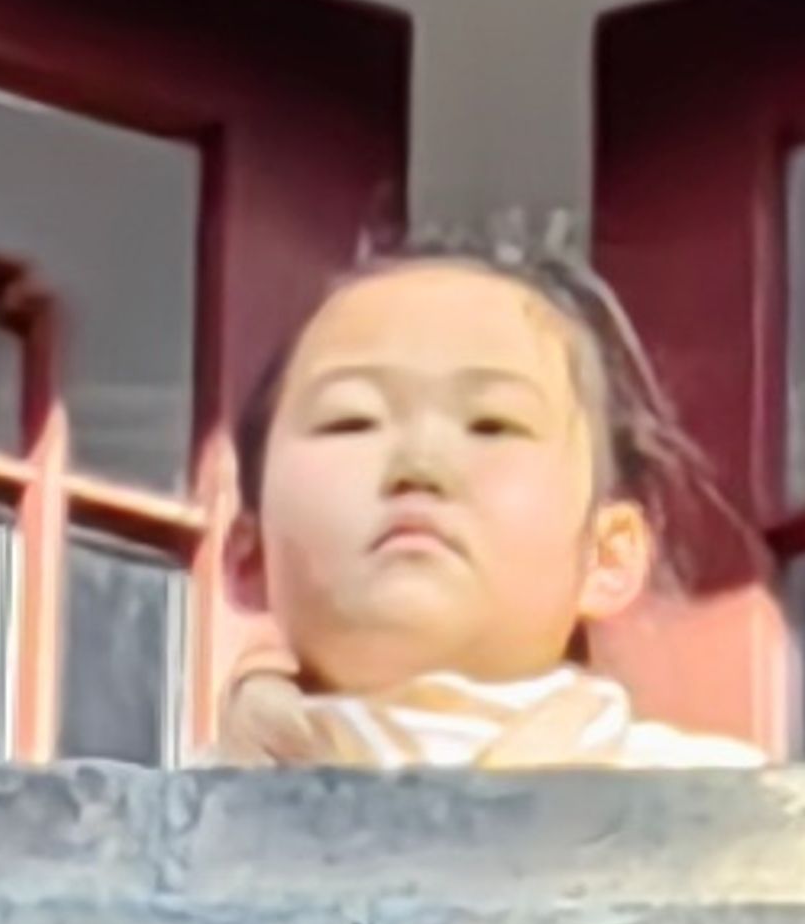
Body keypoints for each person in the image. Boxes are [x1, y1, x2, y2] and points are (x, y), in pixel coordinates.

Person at [211, 225, 764, 772]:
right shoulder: (184, 813)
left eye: (492, 425)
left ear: (606, 554)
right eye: (351, 420)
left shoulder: (725, 809)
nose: (420, 465)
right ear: (249, 555)